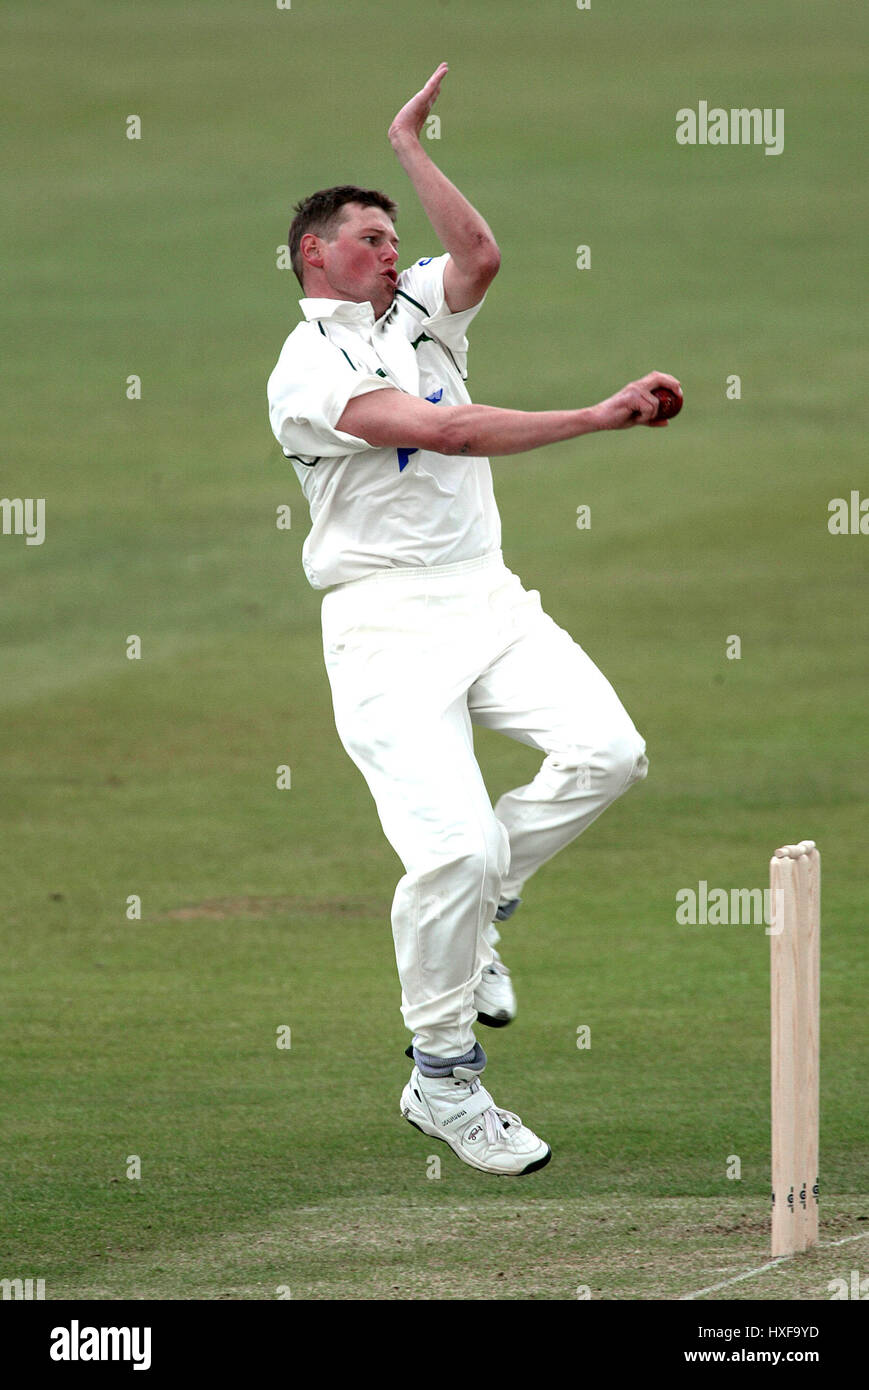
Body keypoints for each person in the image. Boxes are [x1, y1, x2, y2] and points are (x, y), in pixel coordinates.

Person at [267, 62, 680, 1176]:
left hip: (487, 597)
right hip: (383, 630)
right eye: (366, 237)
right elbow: (442, 433)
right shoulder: (307, 367)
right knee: (446, 844)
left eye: (393, 235)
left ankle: (492, 899)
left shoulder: (413, 303)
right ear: (314, 255)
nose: (390, 251)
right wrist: (594, 417)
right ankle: (441, 1076)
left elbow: (483, 256)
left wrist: (408, 147)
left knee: (609, 753)